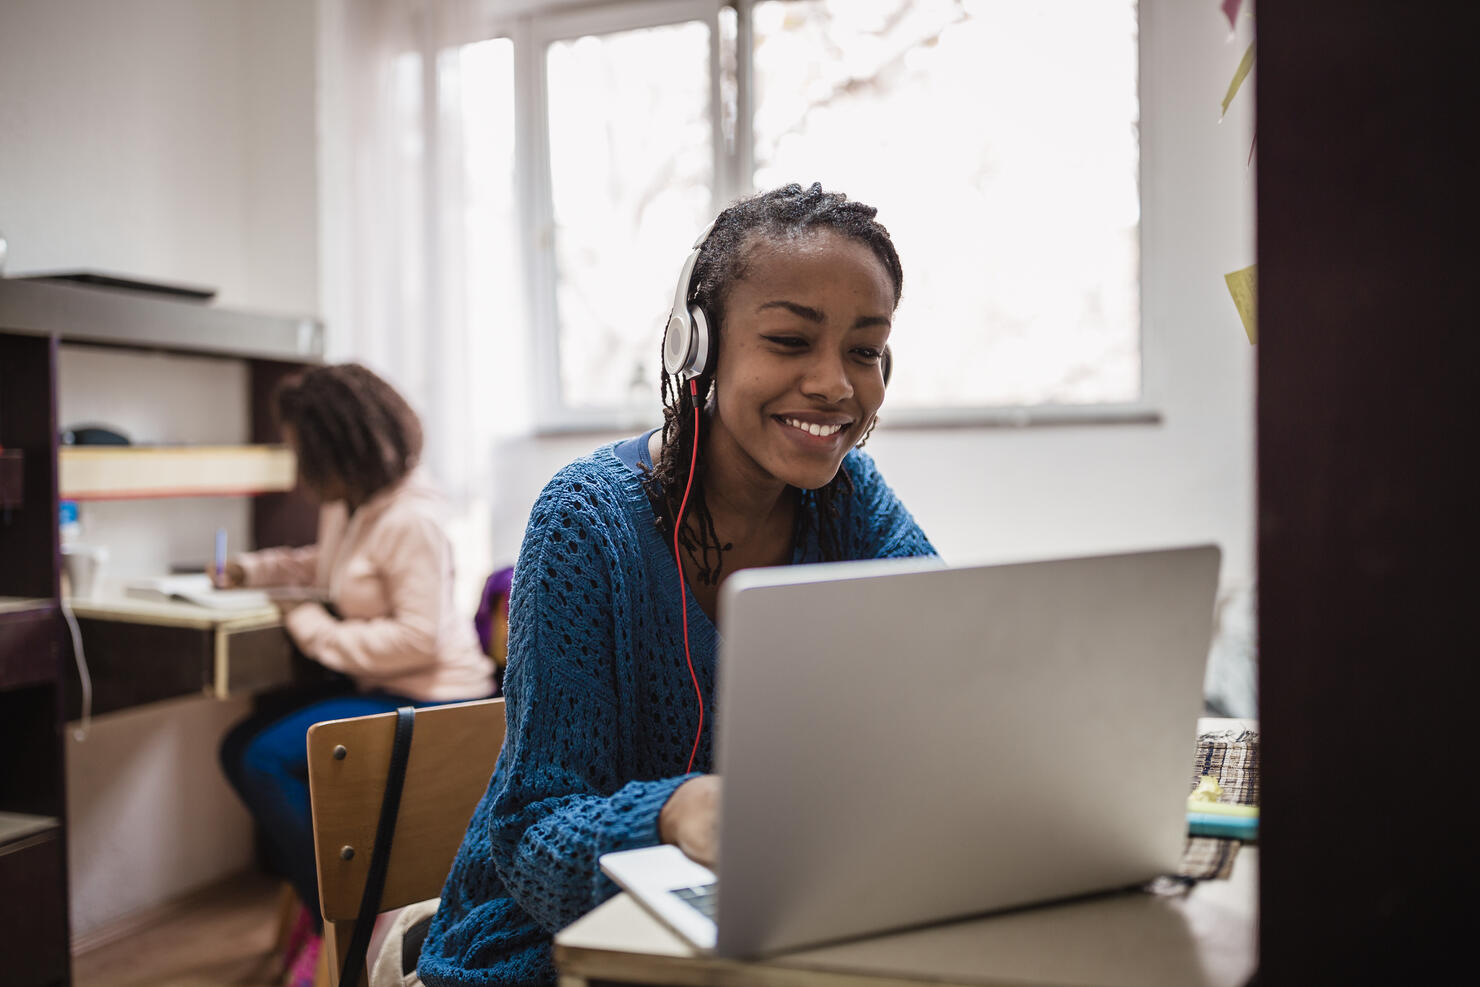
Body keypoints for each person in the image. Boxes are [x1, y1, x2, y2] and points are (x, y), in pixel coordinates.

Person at [417, 183, 936, 986]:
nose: (836, 384)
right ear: (698, 348)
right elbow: (528, 828)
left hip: (766, 919)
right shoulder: (586, 522)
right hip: (544, 942)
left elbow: (956, 669)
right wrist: (671, 811)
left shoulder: (850, 503)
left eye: (864, 351)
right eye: (792, 341)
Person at [217, 362, 495, 986]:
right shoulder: (355, 506)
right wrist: (255, 571)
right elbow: (337, 566)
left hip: (438, 700)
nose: (295, 460)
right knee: (240, 746)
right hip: (387, 688)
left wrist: (312, 627)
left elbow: (418, 639)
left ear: (331, 447)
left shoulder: (412, 519)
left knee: (264, 759)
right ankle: (332, 904)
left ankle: (340, 920)